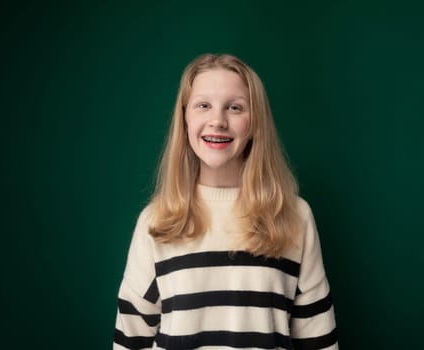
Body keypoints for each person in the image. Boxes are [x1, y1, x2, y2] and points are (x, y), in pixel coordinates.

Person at [113, 53, 338, 350]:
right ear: (185, 119)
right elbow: (131, 336)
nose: (217, 121)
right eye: (203, 105)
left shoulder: (294, 216)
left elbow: (318, 337)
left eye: (235, 107)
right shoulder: (156, 220)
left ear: (256, 123)